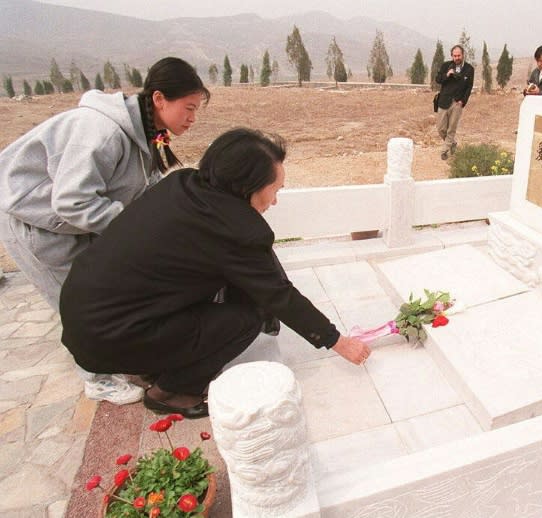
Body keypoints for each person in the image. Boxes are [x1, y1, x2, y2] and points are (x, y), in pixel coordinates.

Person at [59, 128, 372, 419]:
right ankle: (172, 392)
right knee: (247, 319)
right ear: (247, 186)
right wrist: (337, 341)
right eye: (273, 190)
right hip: (112, 335)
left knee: (233, 296)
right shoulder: (233, 229)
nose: (275, 201)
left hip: (85, 315)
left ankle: (154, 362)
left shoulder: (182, 185)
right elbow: (279, 296)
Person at [0, 57, 210, 405]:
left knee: (102, 289)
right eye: (188, 108)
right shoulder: (103, 131)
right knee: (74, 299)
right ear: (160, 99)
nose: (192, 118)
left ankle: (118, 356)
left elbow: (143, 186)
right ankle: (97, 378)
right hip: (35, 219)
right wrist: (133, 230)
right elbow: (71, 201)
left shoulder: (146, 132)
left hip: (72, 223)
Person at [435, 45, 475, 160]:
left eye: (459, 55)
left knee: (451, 129)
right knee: (441, 128)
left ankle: (444, 151)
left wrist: (463, 101)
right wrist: (447, 74)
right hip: (443, 101)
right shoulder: (446, 66)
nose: (457, 57)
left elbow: (469, 87)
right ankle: (452, 144)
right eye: (454, 55)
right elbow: (437, 79)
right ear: (452, 56)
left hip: (457, 103)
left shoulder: (469, 69)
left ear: (463, 55)